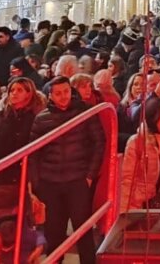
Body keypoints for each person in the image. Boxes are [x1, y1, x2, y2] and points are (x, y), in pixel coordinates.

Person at [30, 76, 104, 264]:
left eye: (66, 92)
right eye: (58, 93)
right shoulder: (42, 118)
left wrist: (89, 176)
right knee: (54, 232)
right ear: (50, 95)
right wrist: (38, 182)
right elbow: (33, 153)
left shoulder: (86, 113)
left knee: (83, 231)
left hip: (77, 179)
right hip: (50, 182)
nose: (63, 97)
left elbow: (98, 143)